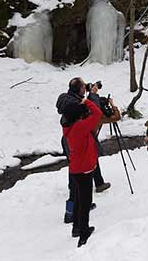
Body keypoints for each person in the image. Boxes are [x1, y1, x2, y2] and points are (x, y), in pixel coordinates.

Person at [56, 78, 111, 225]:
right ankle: (70, 213)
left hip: (73, 139)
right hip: (78, 139)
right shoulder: (75, 104)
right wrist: (92, 96)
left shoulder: (67, 98)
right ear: (79, 90)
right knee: (77, 179)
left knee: (79, 172)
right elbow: (94, 112)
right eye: (83, 86)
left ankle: (82, 205)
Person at [62, 97, 102, 247]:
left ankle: (77, 228)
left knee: (79, 198)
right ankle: (83, 234)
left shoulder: (68, 127)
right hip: (84, 169)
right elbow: (97, 114)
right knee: (85, 202)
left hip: (76, 169)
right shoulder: (80, 127)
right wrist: (87, 101)